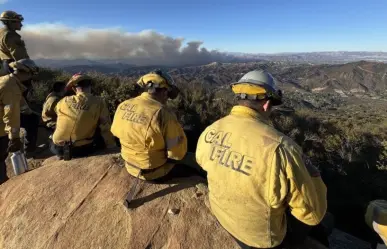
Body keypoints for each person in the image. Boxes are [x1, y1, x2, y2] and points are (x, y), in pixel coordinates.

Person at [195, 70, 328, 249]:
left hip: (224, 219)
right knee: (322, 223)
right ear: (265, 105)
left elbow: (202, 162)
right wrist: (315, 176)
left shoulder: (211, 130)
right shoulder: (282, 148)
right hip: (261, 238)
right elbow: (312, 215)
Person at [111, 70, 200, 182]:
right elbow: (176, 154)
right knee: (196, 163)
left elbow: (114, 132)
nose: (167, 98)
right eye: (167, 94)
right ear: (164, 92)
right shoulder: (163, 113)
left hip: (130, 166)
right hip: (155, 172)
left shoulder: (123, 105)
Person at [50, 73, 116, 159]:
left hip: (57, 148)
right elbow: (105, 126)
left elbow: (57, 113)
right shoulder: (99, 102)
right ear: (90, 86)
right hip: (82, 150)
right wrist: (112, 146)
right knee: (98, 125)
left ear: (74, 88)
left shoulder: (63, 101)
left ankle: (61, 155)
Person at [0, 58, 39, 184]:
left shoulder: (9, 81)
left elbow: (21, 105)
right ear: (25, 72)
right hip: (1, 127)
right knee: (1, 155)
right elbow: (11, 114)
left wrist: (32, 113)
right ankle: (2, 184)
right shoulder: (11, 87)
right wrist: (14, 137)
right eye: (31, 74)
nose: (31, 77)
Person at [0, 10, 30, 76]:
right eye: (18, 22)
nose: (21, 24)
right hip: (14, 68)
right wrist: (29, 69)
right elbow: (20, 57)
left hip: (3, 67)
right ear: (10, 22)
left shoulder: (1, 32)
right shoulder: (11, 35)